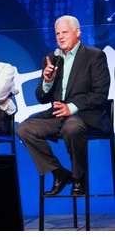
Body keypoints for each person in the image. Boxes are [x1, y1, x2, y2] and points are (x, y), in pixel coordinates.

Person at [17, 15, 110, 196]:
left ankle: (78, 177)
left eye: (65, 32)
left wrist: (72, 107)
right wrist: (47, 81)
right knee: (25, 129)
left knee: (72, 126)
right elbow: (42, 98)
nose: (60, 37)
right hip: (58, 116)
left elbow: (100, 94)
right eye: (57, 33)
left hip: (85, 116)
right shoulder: (53, 58)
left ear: (77, 32)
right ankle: (59, 172)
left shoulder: (95, 56)